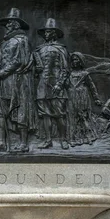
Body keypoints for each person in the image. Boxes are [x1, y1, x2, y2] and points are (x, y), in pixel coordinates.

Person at [0, 8, 35, 152]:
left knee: (20, 110)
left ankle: (23, 143)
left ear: (17, 25)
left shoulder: (22, 41)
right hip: (4, 81)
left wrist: (1, 73)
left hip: (18, 81)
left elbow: (18, 62)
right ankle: (1, 142)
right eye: (7, 24)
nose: (7, 26)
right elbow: (2, 61)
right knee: (0, 110)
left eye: (10, 23)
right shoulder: (6, 42)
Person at [32, 18, 71, 150]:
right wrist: (36, 71)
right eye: (45, 32)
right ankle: (48, 140)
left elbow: (66, 69)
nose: (45, 34)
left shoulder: (61, 49)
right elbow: (34, 70)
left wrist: (60, 84)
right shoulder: (39, 50)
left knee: (59, 114)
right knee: (45, 114)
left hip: (56, 85)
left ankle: (63, 140)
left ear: (54, 33)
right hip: (42, 85)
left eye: (48, 32)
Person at [68, 52, 102, 145]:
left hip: (82, 96)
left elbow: (92, 87)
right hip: (71, 97)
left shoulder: (85, 74)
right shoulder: (68, 74)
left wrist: (96, 99)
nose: (74, 61)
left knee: (84, 117)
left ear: (80, 61)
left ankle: (88, 137)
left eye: (76, 59)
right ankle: (73, 139)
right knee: (73, 118)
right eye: (73, 59)